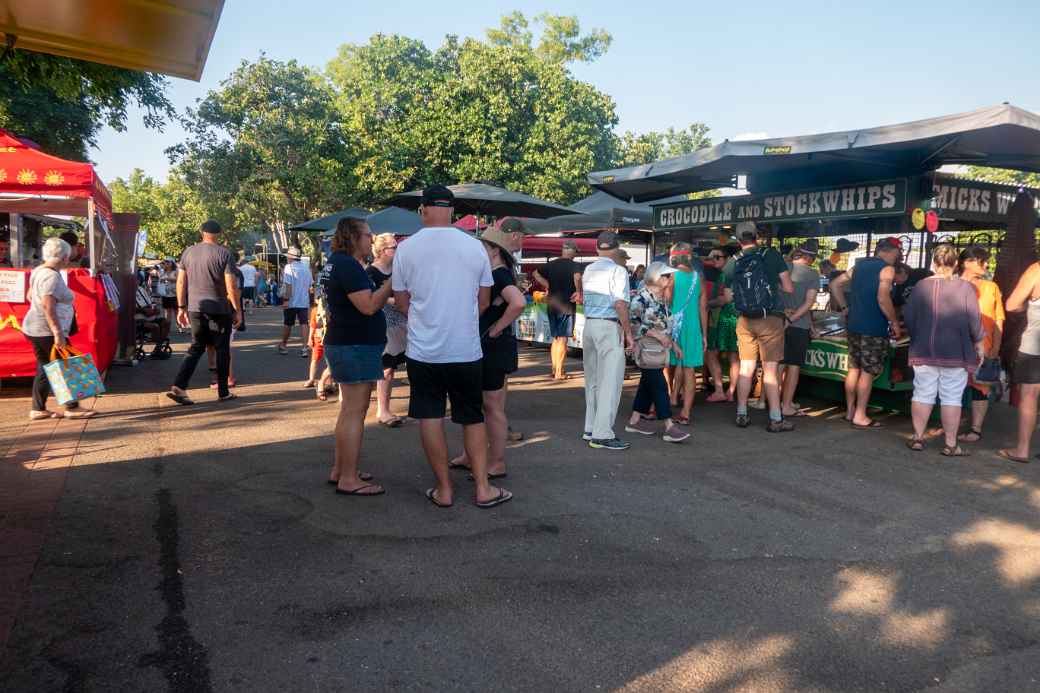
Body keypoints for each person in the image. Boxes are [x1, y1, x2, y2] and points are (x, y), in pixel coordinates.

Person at [392, 185, 512, 508]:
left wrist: (426, 312)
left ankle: (444, 489)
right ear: (452, 210)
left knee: (430, 416)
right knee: (472, 417)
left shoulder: (406, 249)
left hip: (423, 351)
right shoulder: (474, 248)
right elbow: (484, 301)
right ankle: (483, 488)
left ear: (424, 210)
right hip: (465, 349)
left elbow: (401, 303)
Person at [317, 217, 393, 495]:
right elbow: (369, 306)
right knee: (354, 412)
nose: (371, 240)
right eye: (367, 235)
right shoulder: (348, 265)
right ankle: (348, 478)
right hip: (354, 345)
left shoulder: (335, 263)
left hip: (346, 343)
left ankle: (341, 469)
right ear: (353, 237)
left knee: (348, 410)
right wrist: (390, 284)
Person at [448, 228, 528, 478]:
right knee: (482, 404)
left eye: (482, 245)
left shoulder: (499, 274)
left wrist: (496, 330)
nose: (477, 250)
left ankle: (496, 462)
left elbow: (518, 303)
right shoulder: (497, 273)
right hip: (490, 346)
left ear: (494, 249)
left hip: (492, 347)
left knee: (491, 406)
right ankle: (472, 455)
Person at [903, 245, 983, 456]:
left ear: (934, 262)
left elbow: (909, 317)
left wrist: (917, 335)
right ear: (956, 263)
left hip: (924, 349)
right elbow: (974, 320)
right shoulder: (965, 288)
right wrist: (980, 342)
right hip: (955, 352)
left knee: (922, 393)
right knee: (951, 397)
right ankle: (950, 444)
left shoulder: (921, 286)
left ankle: (918, 438)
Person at [724, 222, 795, 431]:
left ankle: (742, 414)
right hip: (770, 319)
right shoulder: (771, 255)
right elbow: (789, 287)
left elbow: (729, 297)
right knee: (770, 370)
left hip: (744, 320)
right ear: (756, 236)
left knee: (746, 368)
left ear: (738, 240)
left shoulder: (733, 262)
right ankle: (775, 419)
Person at [828, 237, 903, 429]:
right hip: (874, 327)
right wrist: (894, 321)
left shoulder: (859, 266)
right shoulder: (887, 269)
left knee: (853, 369)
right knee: (867, 373)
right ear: (892, 252)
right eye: (897, 253)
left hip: (853, 325)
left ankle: (850, 411)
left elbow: (835, 284)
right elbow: (882, 297)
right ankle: (861, 415)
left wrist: (845, 307)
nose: (898, 257)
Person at [165, 220, 242, 405]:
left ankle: (179, 385)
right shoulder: (225, 253)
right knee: (222, 349)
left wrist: (181, 307)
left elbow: (181, 282)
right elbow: (231, 285)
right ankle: (223, 391)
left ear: (201, 232)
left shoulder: (188, 252)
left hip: (195, 307)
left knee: (197, 346)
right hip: (219, 308)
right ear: (220, 234)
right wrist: (237, 310)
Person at [21, 237, 96, 420]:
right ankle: (72, 407)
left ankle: (38, 408)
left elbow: (30, 296)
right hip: (48, 331)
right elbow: (48, 306)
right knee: (66, 366)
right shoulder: (51, 276)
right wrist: (57, 332)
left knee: (46, 367)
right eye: (68, 257)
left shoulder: (39, 270)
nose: (68, 260)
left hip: (35, 328)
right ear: (63, 257)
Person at [581, 231, 635, 450]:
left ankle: (591, 427)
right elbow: (620, 304)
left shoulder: (588, 269)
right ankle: (602, 434)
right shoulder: (618, 270)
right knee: (610, 381)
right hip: (608, 325)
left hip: (590, 324)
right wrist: (629, 332)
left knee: (592, 380)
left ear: (597, 248)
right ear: (616, 248)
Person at [624, 261, 690, 443]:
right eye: (667, 276)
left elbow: (665, 325)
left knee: (647, 385)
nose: (670, 279)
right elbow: (634, 324)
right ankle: (668, 425)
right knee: (660, 386)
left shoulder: (660, 298)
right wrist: (658, 336)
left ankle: (635, 420)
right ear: (657, 278)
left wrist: (673, 344)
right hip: (647, 349)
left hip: (657, 350)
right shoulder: (641, 298)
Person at [956, 246, 1004, 443]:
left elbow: (999, 320)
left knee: (980, 388)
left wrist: (996, 347)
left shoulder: (991, 287)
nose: (986, 264)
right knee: (952, 387)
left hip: (984, 348)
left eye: (986, 260)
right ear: (966, 262)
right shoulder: (952, 285)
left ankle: (975, 430)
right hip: (955, 347)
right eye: (981, 260)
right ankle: (949, 426)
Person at [999, 260, 1040, 463]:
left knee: (1030, 395)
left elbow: (1012, 304)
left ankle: (1022, 449)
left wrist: (1026, 308)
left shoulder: (1036, 270)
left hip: (1035, 343)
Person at [367, 233, 407, 426]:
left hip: (403, 322)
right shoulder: (371, 272)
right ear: (382, 251)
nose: (397, 250)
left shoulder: (399, 270)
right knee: (387, 368)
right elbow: (372, 297)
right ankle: (382, 411)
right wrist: (396, 301)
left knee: (407, 364)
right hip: (383, 324)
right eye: (393, 247)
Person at [667, 242, 707, 425]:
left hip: (674, 326)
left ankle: (666, 400)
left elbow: (666, 302)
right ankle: (686, 413)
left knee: (666, 364)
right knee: (689, 369)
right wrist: (704, 334)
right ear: (689, 257)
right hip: (692, 327)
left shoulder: (672, 277)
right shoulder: (698, 278)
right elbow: (703, 307)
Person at [780, 240, 821, 417]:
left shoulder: (782, 268)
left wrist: (784, 316)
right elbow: (809, 303)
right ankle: (786, 405)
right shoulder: (812, 274)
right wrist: (792, 318)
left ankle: (773, 402)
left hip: (778, 322)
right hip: (798, 325)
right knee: (793, 366)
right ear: (810, 257)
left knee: (777, 365)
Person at [532, 239, 583, 380]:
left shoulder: (551, 264)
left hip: (552, 304)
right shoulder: (575, 265)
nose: (575, 255)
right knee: (562, 339)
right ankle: (559, 372)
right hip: (566, 305)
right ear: (572, 251)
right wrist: (579, 291)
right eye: (575, 252)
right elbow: (577, 277)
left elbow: (535, 274)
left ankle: (555, 370)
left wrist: (548, 285)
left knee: (555, 339)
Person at [278, 247, 312, 356]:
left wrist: (286, 300)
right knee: (304, 323)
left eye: (288, 256)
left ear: (290, 258)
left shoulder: (289, 267)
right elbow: (310, 286)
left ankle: (283, 345)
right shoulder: (307, 268)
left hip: (292, 301)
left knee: (288, 323)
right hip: (304, 301)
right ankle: (304, 348)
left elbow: (288, 285)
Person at [134, 281, 171, 359]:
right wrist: (143, 310)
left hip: (150, 317)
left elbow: (151, 302)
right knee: (155, 326)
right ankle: (156, 343)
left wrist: (155, 309)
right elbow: (126, 308)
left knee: (167, 322)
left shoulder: (141, 289)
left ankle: (157, 349)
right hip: (138, 319)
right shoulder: (126, 291)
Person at [156, 258, 179, 327]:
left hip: (174, 294)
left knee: (176, 311)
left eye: (168, 262)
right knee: (167, 311)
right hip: (165, 294)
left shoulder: (176, 271)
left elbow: (179, 280)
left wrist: (167, 279)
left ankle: (180, 326)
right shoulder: (163, 271)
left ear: (172, 263)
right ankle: (167, 326)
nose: (166, 264)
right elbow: (160, 280)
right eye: (165, 262)